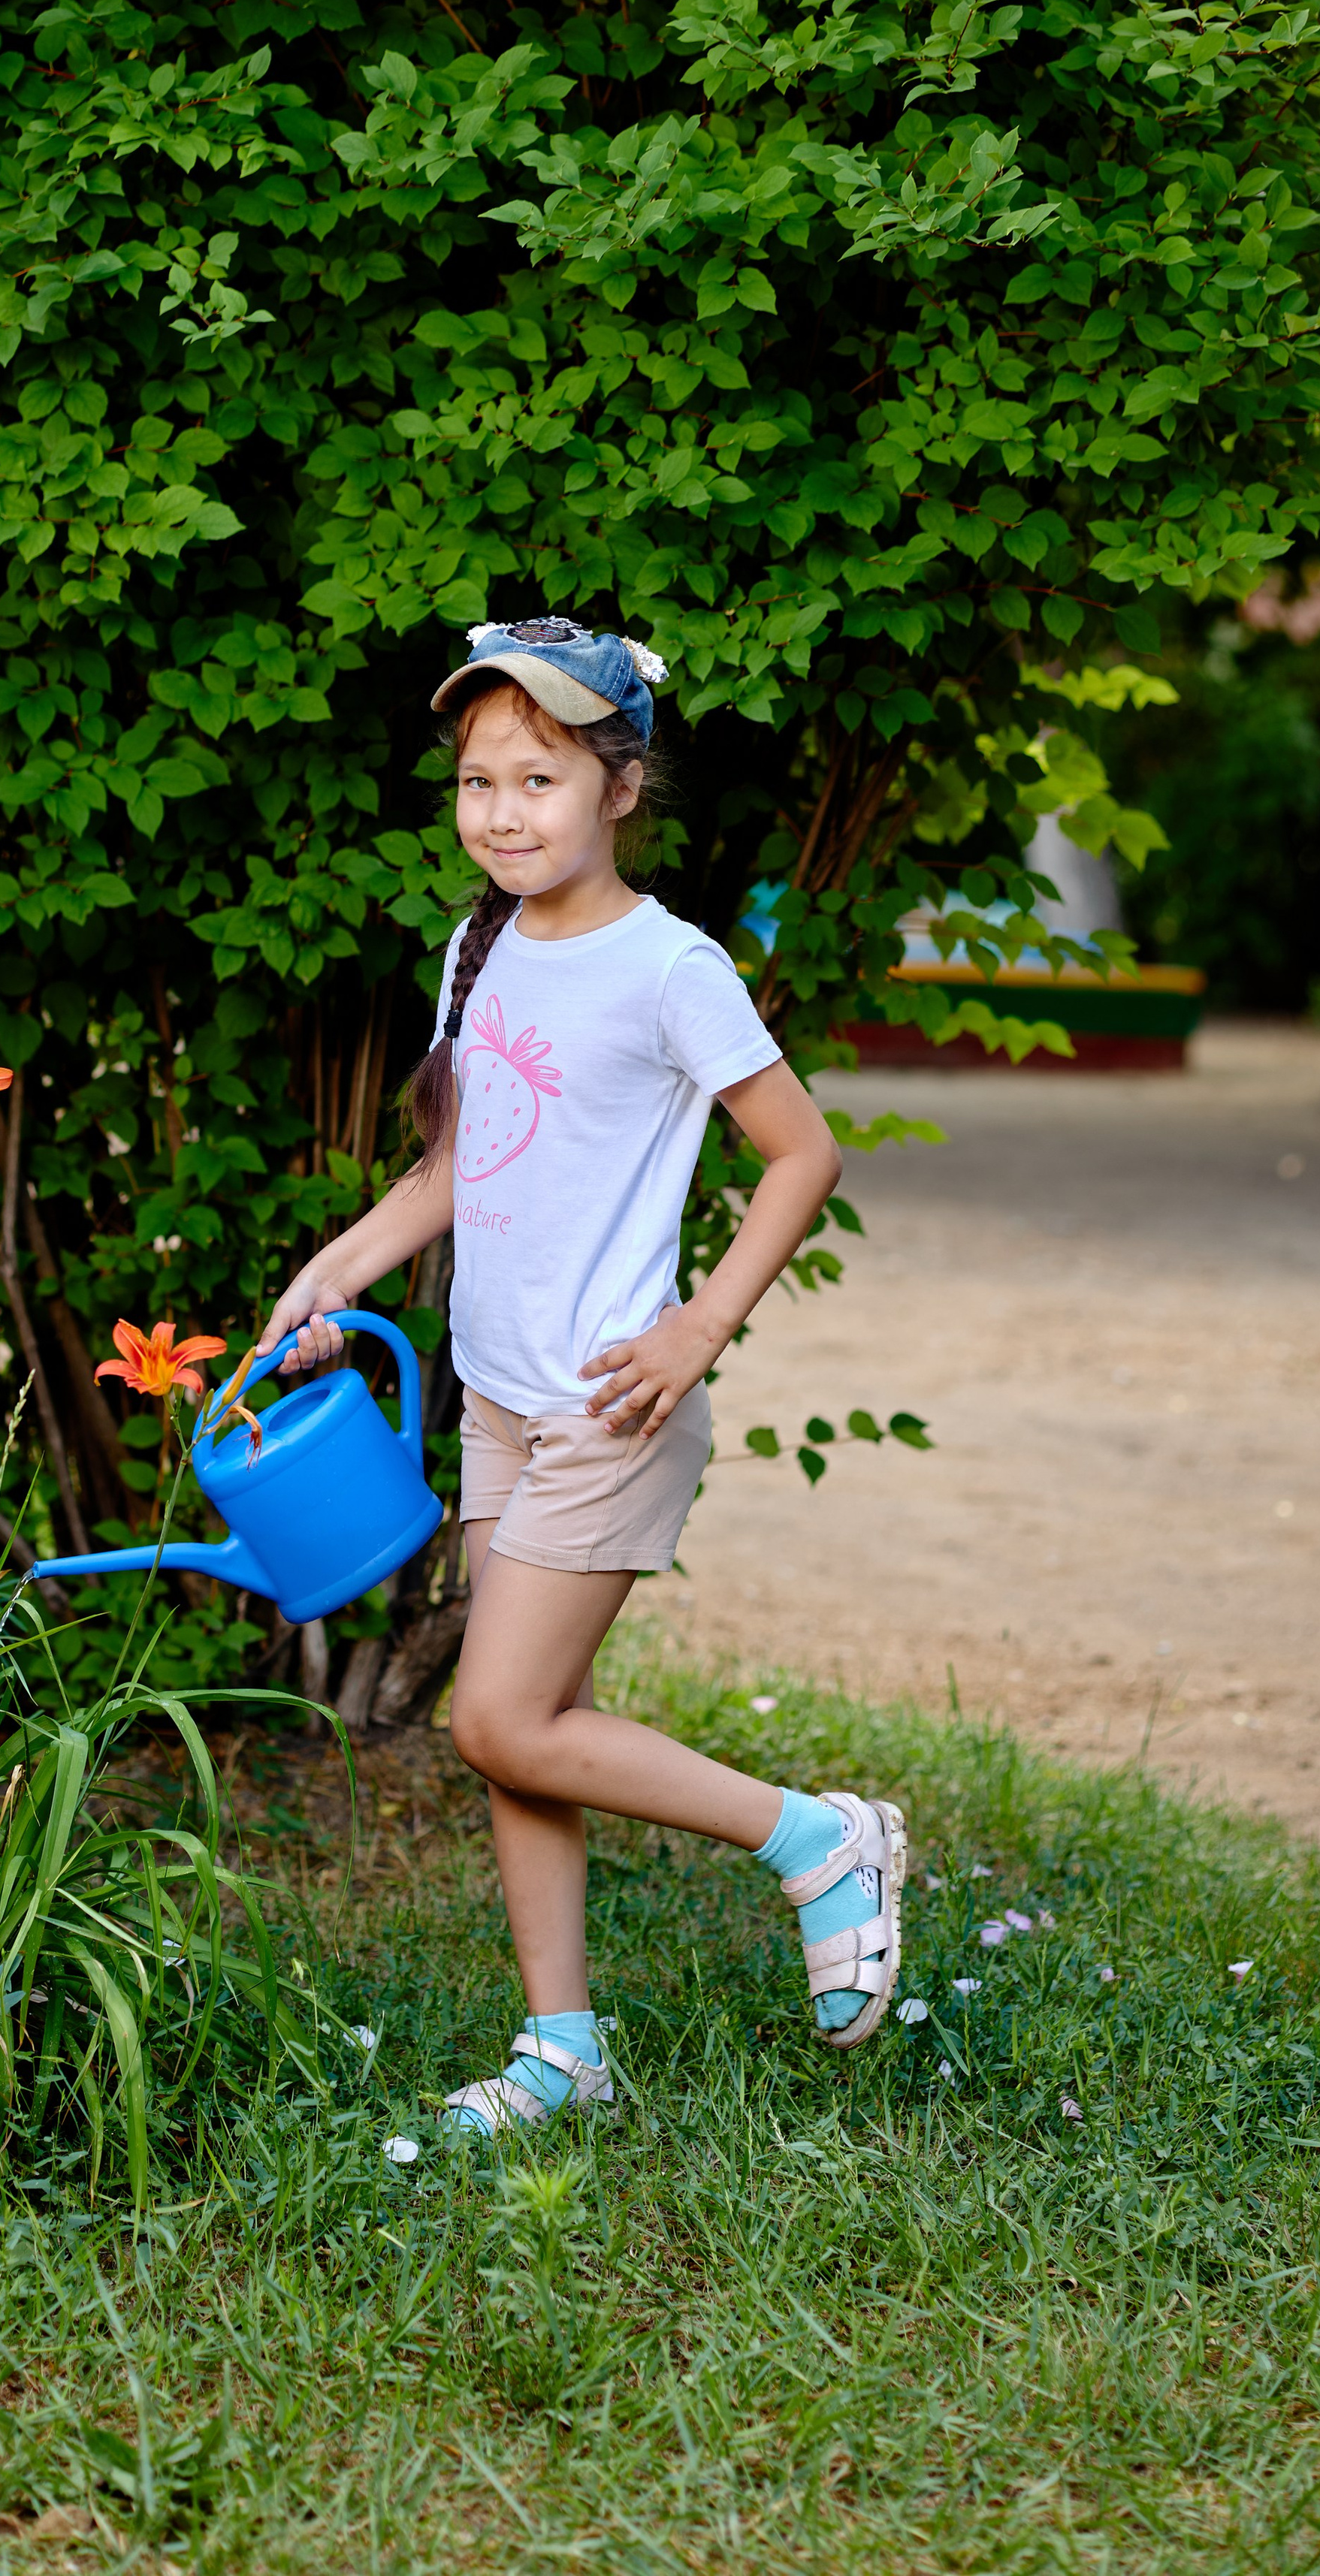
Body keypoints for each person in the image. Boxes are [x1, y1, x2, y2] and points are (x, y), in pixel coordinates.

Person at [257, 614, 905, 2137]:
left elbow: (801, 1156)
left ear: (618, 787)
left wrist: (694, 1335)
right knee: (529, 1720)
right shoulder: (472, 952)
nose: (500, 810)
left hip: (612, 1401)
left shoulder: (668, 966)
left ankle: (816, 1837)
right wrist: (339, 1271)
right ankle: (563, 2051)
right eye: (478, 781)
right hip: (497, 1389)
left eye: (537, 779)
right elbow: (454, 1167)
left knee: (495, 1715)